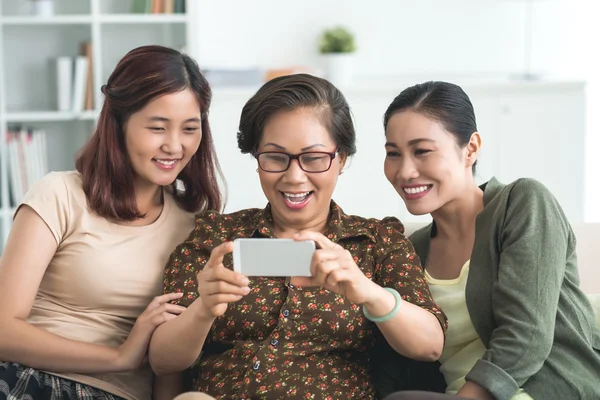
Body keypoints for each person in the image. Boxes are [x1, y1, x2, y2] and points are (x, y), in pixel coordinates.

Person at [148, 73, 448, 400]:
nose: (294, 177)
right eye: (276, 157)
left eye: (314, 158)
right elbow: (163, 362)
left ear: (341, 159)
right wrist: (203, 309)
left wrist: (366, 291)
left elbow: (429, 346)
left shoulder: (378, 242)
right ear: (257, 159)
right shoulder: (215, 238)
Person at [0, 45, 223, 400]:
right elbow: (3, 332)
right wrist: (119, 356)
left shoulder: (195, 228)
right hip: (24, 379)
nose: (174, 145)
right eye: (157, 127)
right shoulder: (59, 194)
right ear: (118, 124)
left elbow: (170, 365)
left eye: (190, 128)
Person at [381, 81, 600, 400]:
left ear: (470, 149)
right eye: (393, 154)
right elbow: (402, 356)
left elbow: (527, 336)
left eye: (422, 151)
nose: (405, 171)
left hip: (545, 390)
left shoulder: (523, 203)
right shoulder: (412, 250)